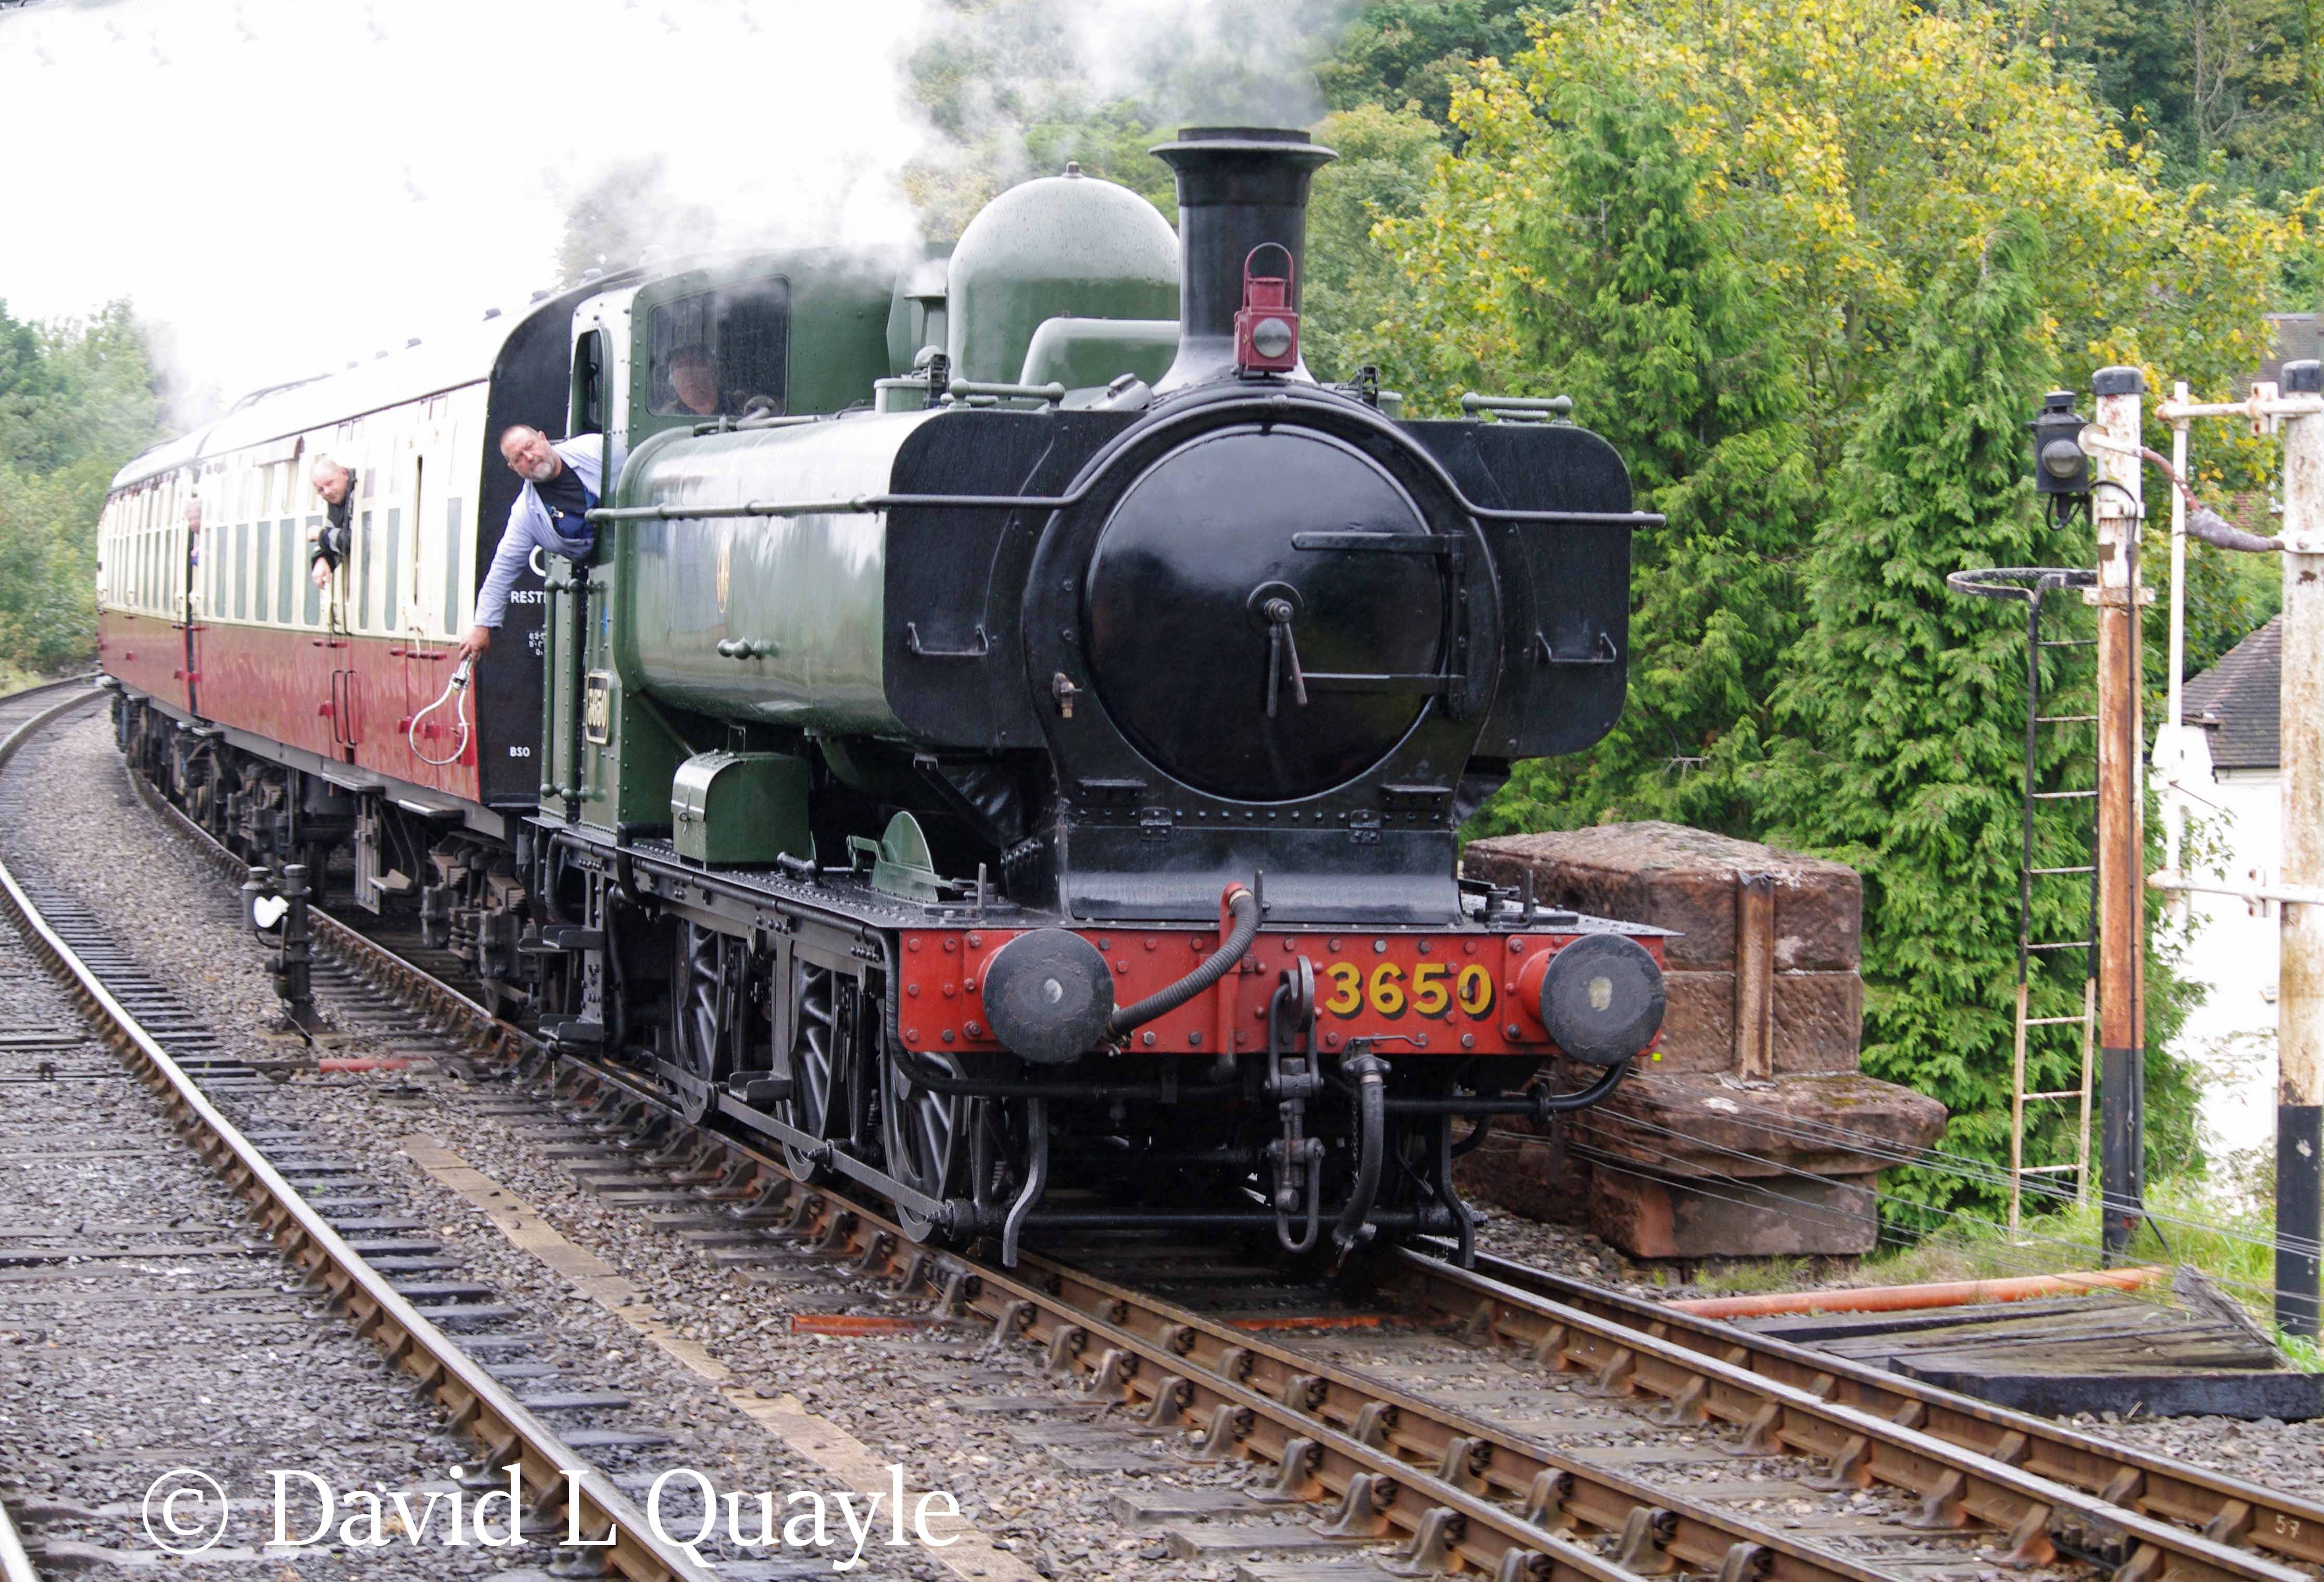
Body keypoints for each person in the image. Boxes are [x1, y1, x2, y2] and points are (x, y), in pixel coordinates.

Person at [456, 425, 603, 662]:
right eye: (519, 458)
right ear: (513, 468)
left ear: (543, 438)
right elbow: (503, 567)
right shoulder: (525, 515)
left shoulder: (594, 448)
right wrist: (482, 626)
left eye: (530, 446)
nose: (530, 457)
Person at [308, 456, 355, 590]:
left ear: (344, 474)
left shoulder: (358, 494)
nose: (327, 492)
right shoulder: (336, 500)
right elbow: (335, 541)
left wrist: (321, 535)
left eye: (330, 483)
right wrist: (322, 559)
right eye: (321, 490)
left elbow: (356, 541)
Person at [667, 345, 723, 416]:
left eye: (695, 364)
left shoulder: (736, 408)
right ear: (672, 381)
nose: (689, 374)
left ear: (712, 371)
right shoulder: (665, 417)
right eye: (680, 367)